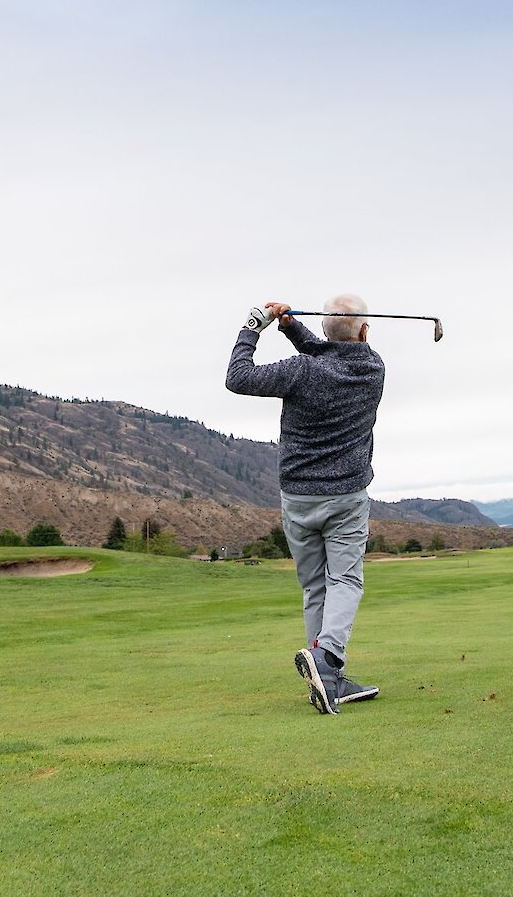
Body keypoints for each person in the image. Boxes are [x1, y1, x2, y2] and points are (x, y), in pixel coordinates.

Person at [225, 295, 385, 715]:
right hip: (347, 497)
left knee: (316, 586)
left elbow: (237, 377)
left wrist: (253, 327)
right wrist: (295, 329)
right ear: (364, 332)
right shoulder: (373, 369)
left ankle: (329, 679)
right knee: (345, 581)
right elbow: (331, 354)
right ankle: (327, 658)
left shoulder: (300, 370)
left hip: (297, 497)